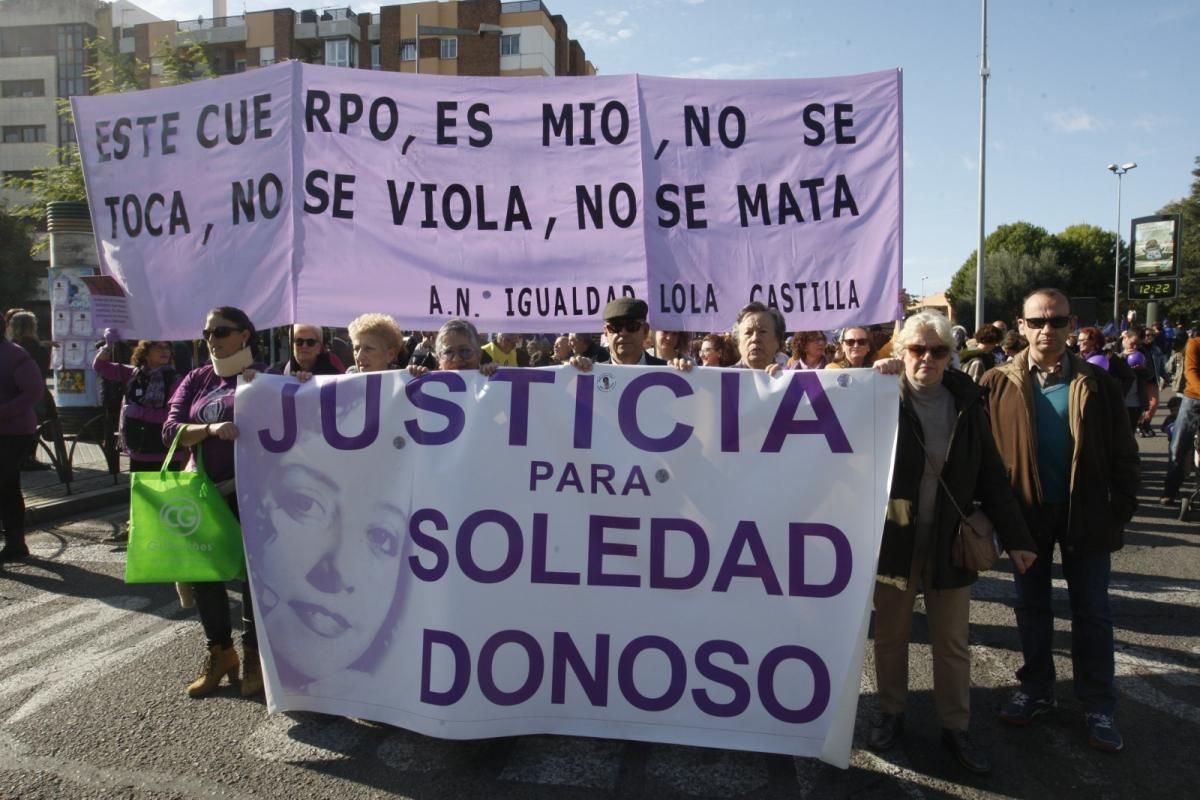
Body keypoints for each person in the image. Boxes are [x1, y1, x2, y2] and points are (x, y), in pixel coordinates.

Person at [867, 312, 1036, 775]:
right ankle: (891, 713)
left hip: (949, 539)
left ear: (950, 355)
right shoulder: (880, 394)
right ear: (901, 352)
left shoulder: (966, 401)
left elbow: (992, 478)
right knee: (891, 635)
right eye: (916, 350)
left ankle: (954, 726)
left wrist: (1019, 539)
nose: (926, 359)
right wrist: (869, 375)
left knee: (952, 640)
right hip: (894, 537)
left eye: (937, 350)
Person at [981, 289, 1139, 752]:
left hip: (1086, 514)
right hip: (1025, 516)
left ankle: (1098, 705)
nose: (1047, 330)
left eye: (1057, 321)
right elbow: (983, 453)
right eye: (1037, 321)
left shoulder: (1099, 383)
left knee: (1092, 612)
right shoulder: (996, 382)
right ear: (1022, 325)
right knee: (1032, 609)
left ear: (1071, 326)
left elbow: (1125, 455)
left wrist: (1119, 510)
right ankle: (1036, 689)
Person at [163, 306, 266, 698]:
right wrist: (208, 429)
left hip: (253, 491)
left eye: (222, 331)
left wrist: (300, 384)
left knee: (253, 578)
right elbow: (170, 429)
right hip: (204, 492)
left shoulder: (266, 377)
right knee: (205, 574)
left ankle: (255, 657)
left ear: (244, 335)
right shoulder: (197, 378)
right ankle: (220, 653)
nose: (213, 339)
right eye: (208, 332)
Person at [0, 313, 43, 562]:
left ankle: (15, 543)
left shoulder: (15, 355)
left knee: (6, 485)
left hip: (13, 433)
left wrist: (3, 413)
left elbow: (34, 391)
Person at [1161, 327, 1200, 505]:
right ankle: (1170, 490)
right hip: (1193, 400)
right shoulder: (1194, 344)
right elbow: (1190, 372)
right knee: (1178, 446)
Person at [601, 298, 666, 366]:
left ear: (645, 330)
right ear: (606, 332)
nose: (623, 333)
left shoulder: (667, 372)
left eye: (632, 326)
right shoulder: (594, 374)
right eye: (616, 327)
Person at [730, 302, 787, 373]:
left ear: (778, 340)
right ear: (738, 342)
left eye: (762, 332)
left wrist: (784, 380)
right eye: (748, 333)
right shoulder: (721, 380)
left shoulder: (793, 380)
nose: (755, 338)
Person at [271, 324, 345, 376]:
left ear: (319, 347)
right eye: (299, 341)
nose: (304, 346)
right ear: (292, 346)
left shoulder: (332, 372)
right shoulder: (282, 371)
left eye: (310, 342)